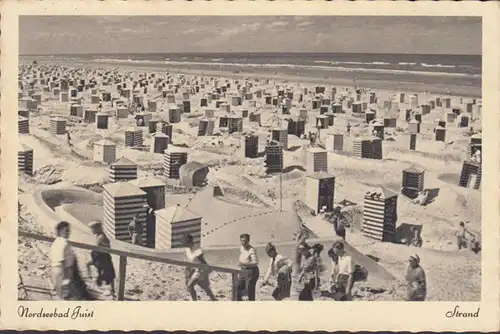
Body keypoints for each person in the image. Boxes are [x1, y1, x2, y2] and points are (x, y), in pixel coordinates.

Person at [50, 221, 94, 300]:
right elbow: (61, 259)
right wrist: (67, 273)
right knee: (68, 293)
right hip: (64, 270)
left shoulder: (56, 241)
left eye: (69, 231)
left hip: (57, 269)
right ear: (60, 231)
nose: (68, 233)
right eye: (66, 231)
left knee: (63, 292)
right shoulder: (63, 242)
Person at [182, 234, 217, 301]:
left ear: (189, 241)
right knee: (205, 288)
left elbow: (202, 260)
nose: (185, 244)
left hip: (201, 269)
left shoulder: (197, 248)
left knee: (190, 285)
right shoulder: (186, 250)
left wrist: (208, 268)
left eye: (186, 242)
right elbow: (188, 262)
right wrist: (187, 275)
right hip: (194, 269)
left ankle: (195, 302)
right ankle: (215, 300)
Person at [86, 220, 116, 297]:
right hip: (98, 258)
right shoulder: (98, 236)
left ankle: (111, 290)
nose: (91, 230)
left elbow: (108, 246)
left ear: (97, 228)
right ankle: (92, 277)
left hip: (103, 258)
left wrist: (101, 249)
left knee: (109, 274)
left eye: (92, 229)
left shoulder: (102, 237)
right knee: (89, 265)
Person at [237, 234, 259, 301]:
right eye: (242, 241)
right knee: (239, 288)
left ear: (249, 241)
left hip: (253, 271)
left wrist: (244, 263)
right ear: (240, 241)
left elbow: (255, 263)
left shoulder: (251, 250)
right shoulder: (241, 248)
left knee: (250, 290)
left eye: (246, 241)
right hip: (244, 270)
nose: (244, 243)